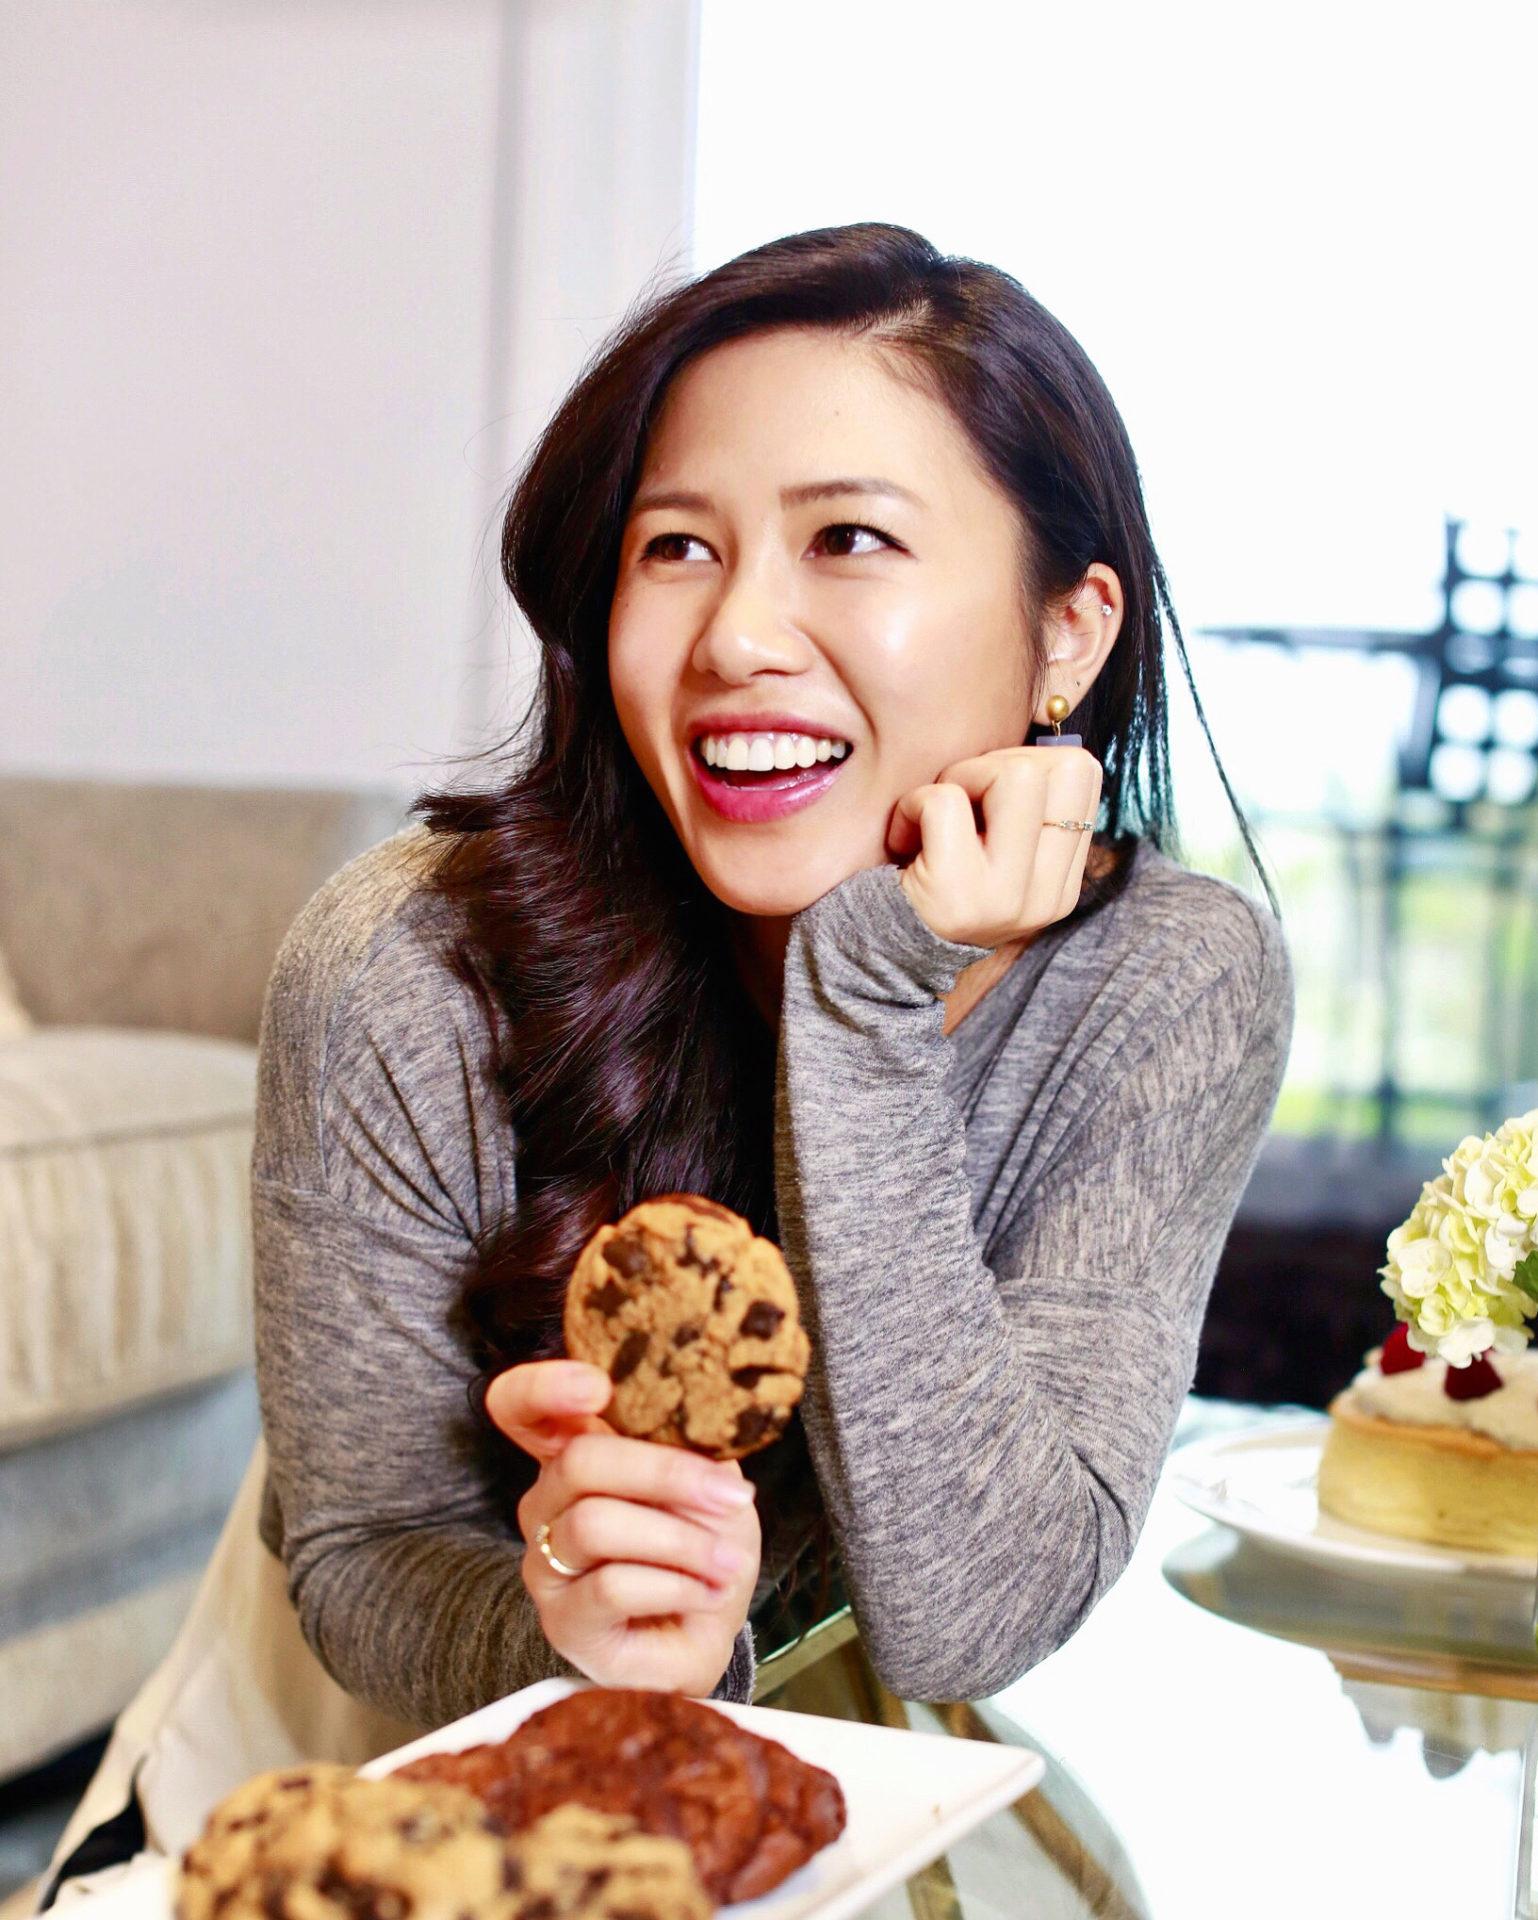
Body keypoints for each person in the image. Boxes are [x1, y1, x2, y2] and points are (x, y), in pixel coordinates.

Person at [251, 219, 1294, 1726]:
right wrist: (589, 1636)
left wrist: (865, 996)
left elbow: (970, 1621)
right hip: (457, 1789)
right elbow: (367, 1551)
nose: (734, 634)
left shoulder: (1167, 981)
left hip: (918, 1795)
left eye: (846, 539)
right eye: (675, 547)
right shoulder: (405, 968)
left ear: (1067, 627)